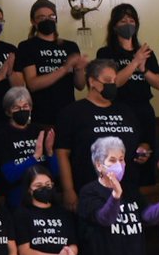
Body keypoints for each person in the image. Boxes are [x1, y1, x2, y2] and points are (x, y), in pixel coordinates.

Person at [55, 58, 143, 208]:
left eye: (114, 81)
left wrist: (143, 150)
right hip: (90, 190)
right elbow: (62, 154)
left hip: (127, 190)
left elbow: (137, 143)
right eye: (107, 80)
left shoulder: (126, 111)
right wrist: (68, 190)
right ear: (92, 82)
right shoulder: (72, 113)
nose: (112, 85)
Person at [96, 3, 159, 172]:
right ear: (114, 26)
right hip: (118, 109)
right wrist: (135, 62)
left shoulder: (146, 52)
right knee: (121, 156)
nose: (128, 24)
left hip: (144, 109)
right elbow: (114, 83)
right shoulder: (106, 53)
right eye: (123, 21)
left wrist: (144, 69)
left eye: (131, 20)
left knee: (145, 155)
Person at [16, 0, 85, 126]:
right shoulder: (27, 46)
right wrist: (64, 69)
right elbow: (32, 84)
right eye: (41, 17)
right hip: (41, 116)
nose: (47, 20)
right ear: (33, 21)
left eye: (51, 16)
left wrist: (80, 68)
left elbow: (80, 86)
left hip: (68, 113)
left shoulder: (70, 46)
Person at [13, 165, 78, 255]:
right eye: (38, 185)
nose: (44, 189)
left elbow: (73, 244)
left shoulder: (63, 213)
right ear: (29, 189)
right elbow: (24, 252)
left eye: (48, 185)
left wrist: (70, 253)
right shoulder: (22, 214)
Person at [0, 87, 57, 208]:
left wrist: (50, 152)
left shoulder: (40, 131)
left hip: (46, 195)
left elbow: (55, 173)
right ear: (8, 112)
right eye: (16, 108)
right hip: (19, 198)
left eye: (25, 106)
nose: (22, 110)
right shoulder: (2, 135)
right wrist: (34, 158)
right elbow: (10, 176)